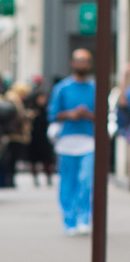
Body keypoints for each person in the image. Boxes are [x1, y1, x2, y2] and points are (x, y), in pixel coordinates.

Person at [47, 49, 95, 234]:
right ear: (72, 63)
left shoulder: (95, 88)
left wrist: (87, 115)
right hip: (66, 142)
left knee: (86, 180)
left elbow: (104, 115)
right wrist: (70, 114)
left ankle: (84, 217)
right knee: (67, 183)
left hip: (89, 141)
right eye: (79, 60)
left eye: (86, 60)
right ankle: (69, 220)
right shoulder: (62, 88)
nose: (82, 64)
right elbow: (52, 114)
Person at [28, 90, 55, 185]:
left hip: (44, 137)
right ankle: (35, 179)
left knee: (47, 159)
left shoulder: (47, 110)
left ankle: (48, 177)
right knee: (34, 160)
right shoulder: (32, 110)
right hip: (34, 138)